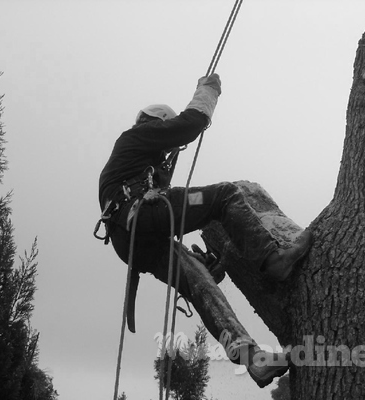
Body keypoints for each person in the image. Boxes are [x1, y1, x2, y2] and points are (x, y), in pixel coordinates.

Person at [97, 74, 312, 388]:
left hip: (135, 239)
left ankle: (253, 360)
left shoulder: (139, 165)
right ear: (154, 123)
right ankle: (274, 259)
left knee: (201, 283)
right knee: (223, 195)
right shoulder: (136, 137)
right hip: (140, 214)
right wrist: (208, 90)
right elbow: (191, 123)